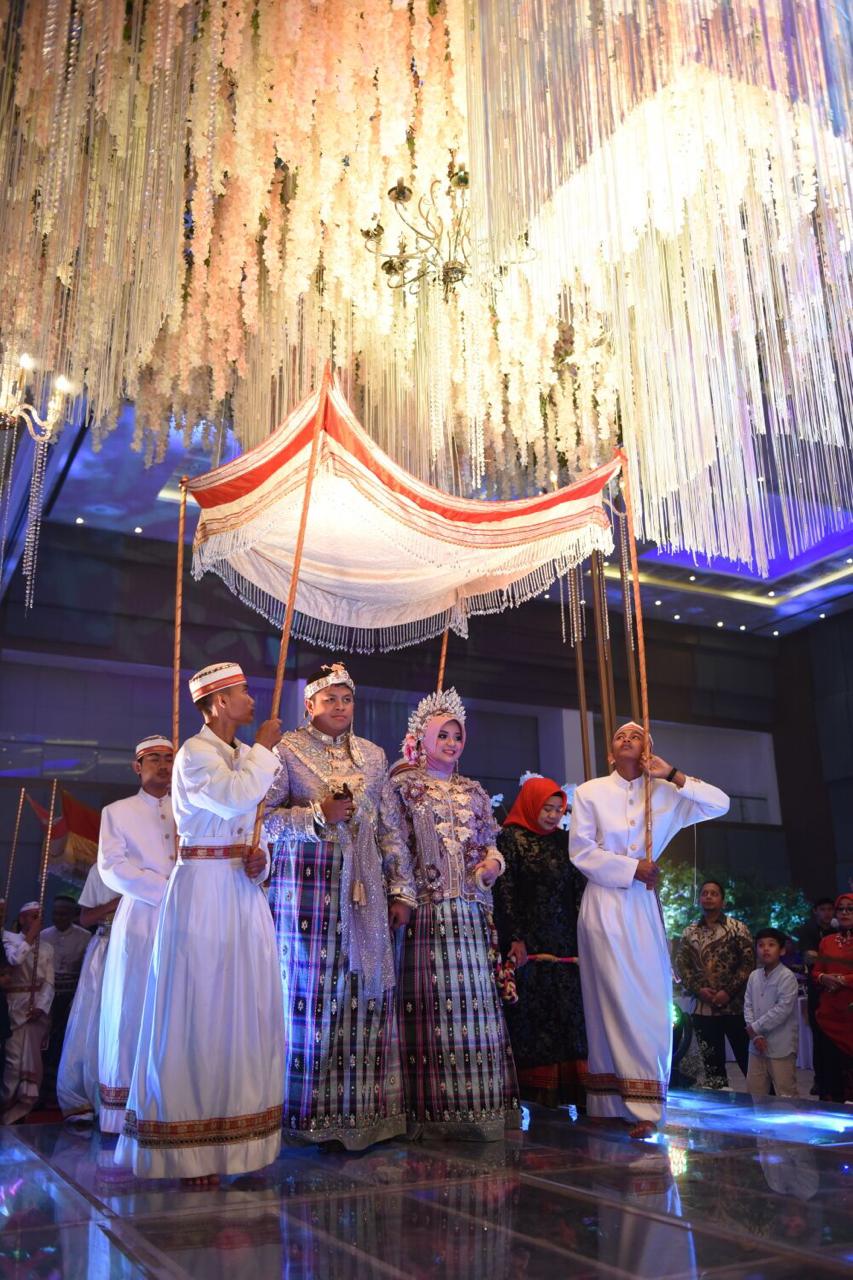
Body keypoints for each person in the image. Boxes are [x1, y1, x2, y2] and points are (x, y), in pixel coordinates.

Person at [116, 662, 284, 1185]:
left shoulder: (241, 754)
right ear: (218, 702)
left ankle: (240, 1145)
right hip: (203, 891)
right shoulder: (194, 753)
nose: (252, 699)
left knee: (244, 1009)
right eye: (242, 692)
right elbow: (233, 797)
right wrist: (265, 748)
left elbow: (255, 825)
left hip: (241, 892)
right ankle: (189, 1151)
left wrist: (262, 860)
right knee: (201, 1008)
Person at [264, 662, 405, 1150]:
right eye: (330, 699)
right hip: (306, 891)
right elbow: (262, 820)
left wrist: (401, 889)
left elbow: (389, 827)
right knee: (312, 993)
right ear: (310, 705)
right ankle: (305, 1114)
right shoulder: (287, 751)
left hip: (365, 889)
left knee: (363, 989)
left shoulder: (373, 755)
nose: (340, 707)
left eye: (347, 699)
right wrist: (315, 816)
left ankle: (362, 1113)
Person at [570, 721, 730, 1138]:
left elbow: (721, 803)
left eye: (636, 735)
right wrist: (631, 868)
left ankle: (646, 1103)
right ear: (610, 752)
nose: (626, 738)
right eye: (619, 735)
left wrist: (672, 774)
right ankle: (606, 1100)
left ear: (648, 749)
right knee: (605, 997)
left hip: (641, 905)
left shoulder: (665, 793)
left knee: (646, 997)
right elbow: (581, 851)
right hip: (602, 902)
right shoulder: (589, 792)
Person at [381, 687, 519, 1140]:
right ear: (423, 738)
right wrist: (402, 894)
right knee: (434, 1008)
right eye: (443, 735)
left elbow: (489, 842)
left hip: (472, 914)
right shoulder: (404, 786)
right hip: (428, 914)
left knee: (475, 1010)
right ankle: (432, 1113)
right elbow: (395, 846)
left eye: (457, 736)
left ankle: (480, 1107)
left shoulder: (473, 790)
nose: (452, 743)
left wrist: (494, 864)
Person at [97, 734, 176, 1133]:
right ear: (137, 766)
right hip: (142, 917)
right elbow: (112, 867)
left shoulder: (190, 808)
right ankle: (124, 1112)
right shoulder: (117, 812)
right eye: (154, 759)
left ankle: (173, 1106)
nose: (163, 765)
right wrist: (166, 890)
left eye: (169, 758)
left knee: (177, 1007)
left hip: (187, 918)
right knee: (134, 1005)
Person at [493, 776, 587, 1107]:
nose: (552, 815)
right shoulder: (510, 838)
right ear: (531, 804)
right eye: (546, 808)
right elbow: (505, 891)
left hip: (565, 944)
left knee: (569, 1013)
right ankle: (537, 1094)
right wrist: (515, 937)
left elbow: (578, 889)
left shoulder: (565, 841)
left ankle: (572, 1092)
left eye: (558, 809)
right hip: (528, 947)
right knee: (533, 1017)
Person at [57, 863, 120, 1123]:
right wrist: (116, 903)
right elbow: (85, 918)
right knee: (94, 1017)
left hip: (142, 946)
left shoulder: (155, 862)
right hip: (106, 948)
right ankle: (89, 1092)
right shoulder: (101, 868)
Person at [675, 880, 753, 1089]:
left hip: (735, 1007)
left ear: (723, 901)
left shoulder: (737, 928)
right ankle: (721, 1102)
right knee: (712, 1066)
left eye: (714, 893)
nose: (708, 896)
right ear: (699, 899)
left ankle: (763, 1103)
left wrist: (727, 992)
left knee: (748, 1060)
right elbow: (682, 966)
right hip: (703, 1008)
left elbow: (747, 964)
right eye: (705, 893)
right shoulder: (689, 932)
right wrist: (699, 989)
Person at [1, 903, 54, 1123]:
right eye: (32, 917)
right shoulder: (8, 939)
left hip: (36, 1010)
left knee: (34, 1062)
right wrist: (30, 937)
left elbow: (49, 982)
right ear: (22, 919)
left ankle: (22, 1110)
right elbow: (15, 959)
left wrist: (41, 1006)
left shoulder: (47, 947)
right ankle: (5, 1105)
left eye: (39, 917)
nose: (36, 921)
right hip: (15, 1006)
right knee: (13, 1062)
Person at [39, 894, 92, 1103]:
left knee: (64, 1039)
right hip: (47, 995)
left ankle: (60, 1088)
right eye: (55, 914)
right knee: (45, 1039)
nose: (58, 918)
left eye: (63, 914)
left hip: (71, 996)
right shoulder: (44, 935)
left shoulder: (84, 937)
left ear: (72, 915)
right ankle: (42, 1088)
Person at [743, 927, 800, 1098]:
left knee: (786, 1093)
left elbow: (782, 1010)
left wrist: (755, 1028)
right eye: (761, 945)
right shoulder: (754, 976)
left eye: (771, 945)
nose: (765, 949)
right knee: (755, 1093)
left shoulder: (787, 976)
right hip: (756, 1045)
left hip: (781, 1045)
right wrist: (755, 1035)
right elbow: (748, 1005)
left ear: (781, 950)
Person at [812, 893, 853, 1103]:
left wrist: (843, 980)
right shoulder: (826, 941)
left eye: (850, 909)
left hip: (850, 1016)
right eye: (841, 909)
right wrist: (823, 977)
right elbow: (816, 971)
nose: (844, 912)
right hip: (829, 1017)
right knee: (831, 1073)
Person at [798, 897, 837, 1098]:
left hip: (840, 990)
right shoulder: (808, 931)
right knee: (819, 1037)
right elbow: (809, 957)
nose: (827, 913)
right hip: (817, 989)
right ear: (815, 911)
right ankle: (819, 1079)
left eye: (830, 909)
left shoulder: (839, 930)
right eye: (823, 909)